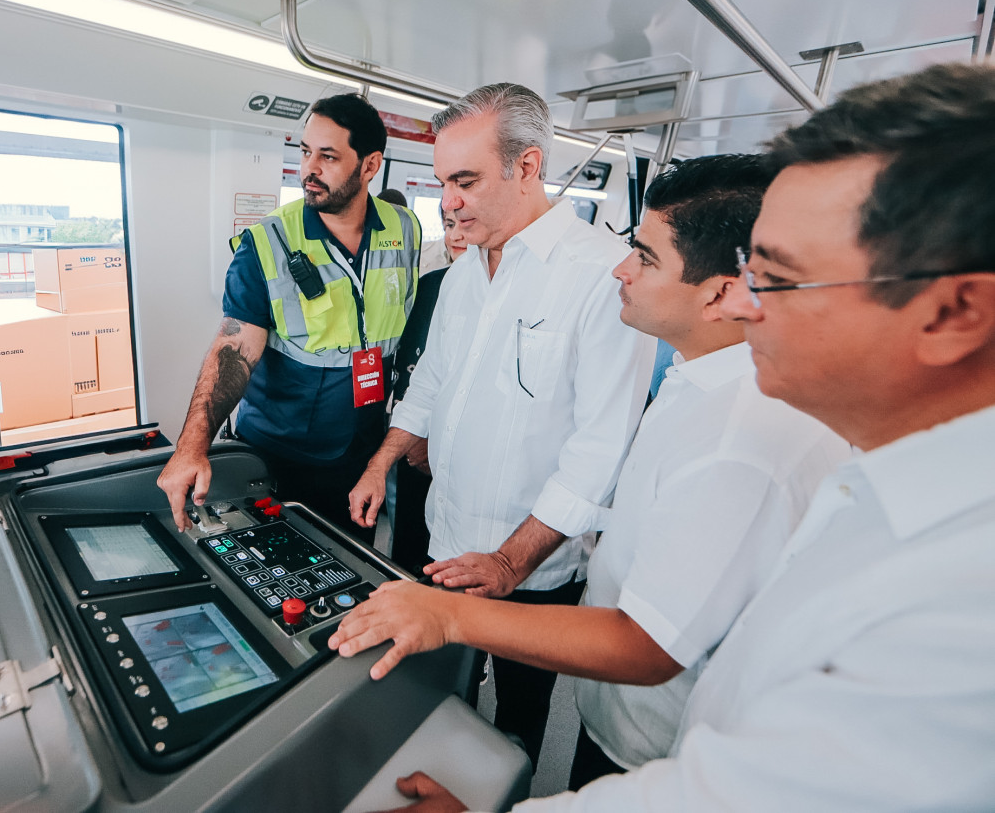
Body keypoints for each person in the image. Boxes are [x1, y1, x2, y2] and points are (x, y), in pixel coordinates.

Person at [356, 62, 995, 812]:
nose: (740, 305)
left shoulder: (943, 590)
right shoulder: (822, 454)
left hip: (616, 692)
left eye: (778, 278)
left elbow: (741, 786)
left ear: (953, 313)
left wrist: (467, 603)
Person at [329, 151, 851, 788]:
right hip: (612, 703)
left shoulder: (740, 438)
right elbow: (436, 381)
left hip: (660, 749)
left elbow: (648, 644)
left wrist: (453, 612)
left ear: (720, 293)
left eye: (646, 258)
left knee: (518, 734)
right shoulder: (699, 385)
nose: (622, 269)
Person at [347, 83, 656, 769]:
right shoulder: (463, 275)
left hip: (533, 570)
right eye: (441, 183)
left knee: (515, 726)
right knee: (440, 697)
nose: (447, 203)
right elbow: (430, 382)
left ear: (527, 166)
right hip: (446, 543)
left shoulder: (599, 276)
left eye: (465, 182)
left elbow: (601, 448)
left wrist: (512, 562)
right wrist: (381, 462)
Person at [157, 93, 421, 544]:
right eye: (304, 151)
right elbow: (234, 348)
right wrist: (192, 447)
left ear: (370, 165)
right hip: (280, 454)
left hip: (361, 450)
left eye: (328, 156)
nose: (309, 169)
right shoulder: (266, 242)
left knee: (348, 564)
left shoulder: (405, 228)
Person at [388, 207, 468, 574]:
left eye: (465, 225)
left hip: (460, 457)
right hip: (413, 444)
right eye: (449, 225)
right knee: (409, 553)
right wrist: (413, 437)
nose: (455, 236)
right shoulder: (429, 286)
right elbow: (411, 366)